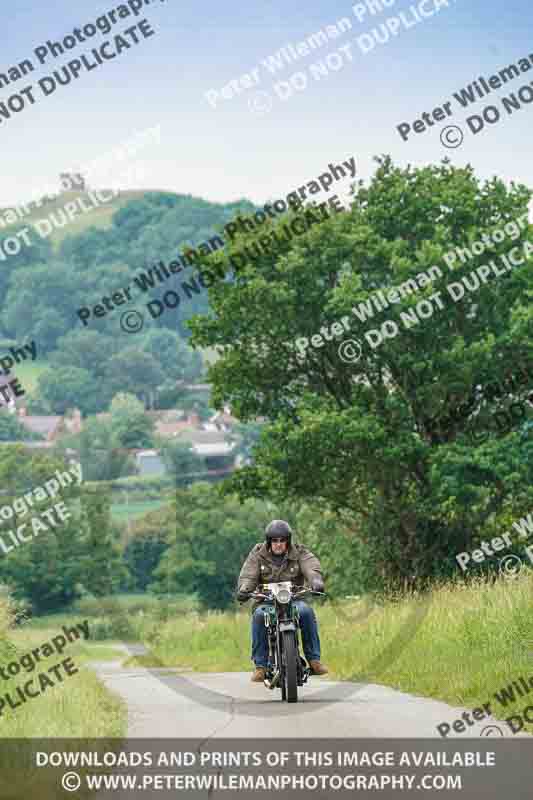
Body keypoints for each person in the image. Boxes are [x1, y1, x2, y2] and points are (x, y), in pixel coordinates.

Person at [236, 519, 328, 682]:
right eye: (274, 540)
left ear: (288, 541)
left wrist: (316, 581)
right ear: (269, 541)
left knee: (306, 612)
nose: (278, 544)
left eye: (282, 540)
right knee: (258, 616)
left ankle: (314, 660)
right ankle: (260, 666)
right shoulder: (258, 553)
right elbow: (249, 574)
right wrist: (245, 588)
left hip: (293, 601)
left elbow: (310, 565)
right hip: (266, 602)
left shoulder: (299, 551)